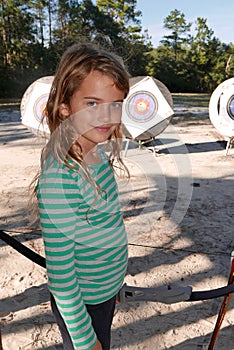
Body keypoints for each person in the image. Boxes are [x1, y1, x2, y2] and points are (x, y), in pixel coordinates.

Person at [36, 42, 130, 350]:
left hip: (102, 292)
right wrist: (84, 340)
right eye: (92, 103)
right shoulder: (60, 179)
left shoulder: (95, 152)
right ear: (64, 106)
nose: (107, 114)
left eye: (115, 103)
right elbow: (62, 280)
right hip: (83, 308)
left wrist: (112, 281)